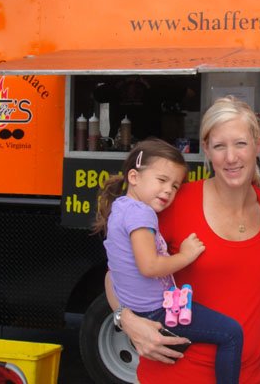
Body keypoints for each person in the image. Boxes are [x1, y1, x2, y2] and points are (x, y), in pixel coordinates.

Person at [107, 96, 260, 384]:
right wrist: (126, 320)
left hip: (251, 376)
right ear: (206, 150)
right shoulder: (175, 203)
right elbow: (116, 272)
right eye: (219, 146)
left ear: (258, 145)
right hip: (175, 375)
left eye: (240, 143)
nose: (230, 157)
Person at [94, 137, 245, 384]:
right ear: (134, 177)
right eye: (162, 180)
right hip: (157, 312)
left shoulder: (120, 207)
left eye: (175, 186)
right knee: (232, 333)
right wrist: (186, 255)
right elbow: (150, 267)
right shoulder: (141, 214)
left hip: (142, 309)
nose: (168, 190)